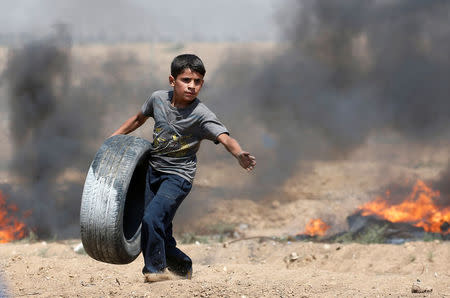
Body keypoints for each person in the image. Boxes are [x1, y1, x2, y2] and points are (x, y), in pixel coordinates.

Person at [110, 54, 256, 282]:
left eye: (197, 82)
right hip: (153, 171)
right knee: (160, 227)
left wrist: (238, 153)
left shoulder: (201, 115)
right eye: (186, 80)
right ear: (172, 80)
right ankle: (182, 266)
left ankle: (155, 270)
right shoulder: (157, 99)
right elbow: (139, 119)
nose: (192, 86)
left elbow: (225, 137)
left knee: (151, 218)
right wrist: (114, 138)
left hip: (178, 177)